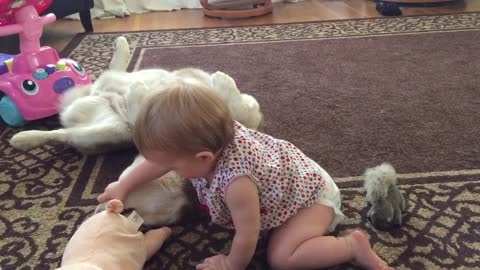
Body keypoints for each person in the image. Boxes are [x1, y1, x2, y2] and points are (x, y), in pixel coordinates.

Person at [97, 78, 393, 270]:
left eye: (174, 166)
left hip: (311, 198)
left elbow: (248, 233)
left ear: (203, 158)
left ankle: (350, 246)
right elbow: (158, 161)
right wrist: (124, 185)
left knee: (283, 258)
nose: (169, 170)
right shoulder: (207, 140)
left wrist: (230, 264)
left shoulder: (237, 184)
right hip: (291, 176)